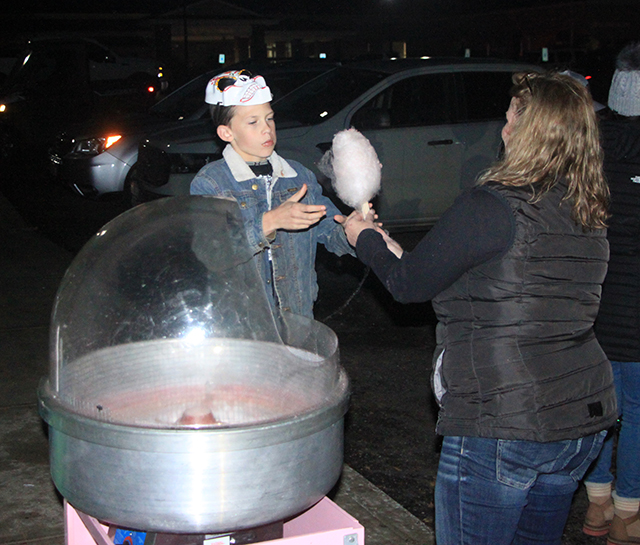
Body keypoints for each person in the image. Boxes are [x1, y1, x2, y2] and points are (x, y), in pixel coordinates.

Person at [339, 71, 618, 545]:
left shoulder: (492, 204)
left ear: (530, 131)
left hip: (503, 417)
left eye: (511, 119)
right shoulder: (586, 207)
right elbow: (456, 273)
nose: (503, 130)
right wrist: (388, 247)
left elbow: (408, 286)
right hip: (579, 417)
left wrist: (362, 238)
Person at [190, 69, 355, 319]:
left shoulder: (298, 176)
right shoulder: (211, 184)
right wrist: (270, 222)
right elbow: (211, 254)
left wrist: (354, 231)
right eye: (253, 122)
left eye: (269, 118)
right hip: (244, 326)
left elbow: (330, 233)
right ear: (226, 133)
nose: (267, 129)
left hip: (297, 319)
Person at [582, 42, 640, 545]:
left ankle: (597, 502)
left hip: (593, 304)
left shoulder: (588, 148)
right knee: (638, 412)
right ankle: (628, 513)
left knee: (600, 406)